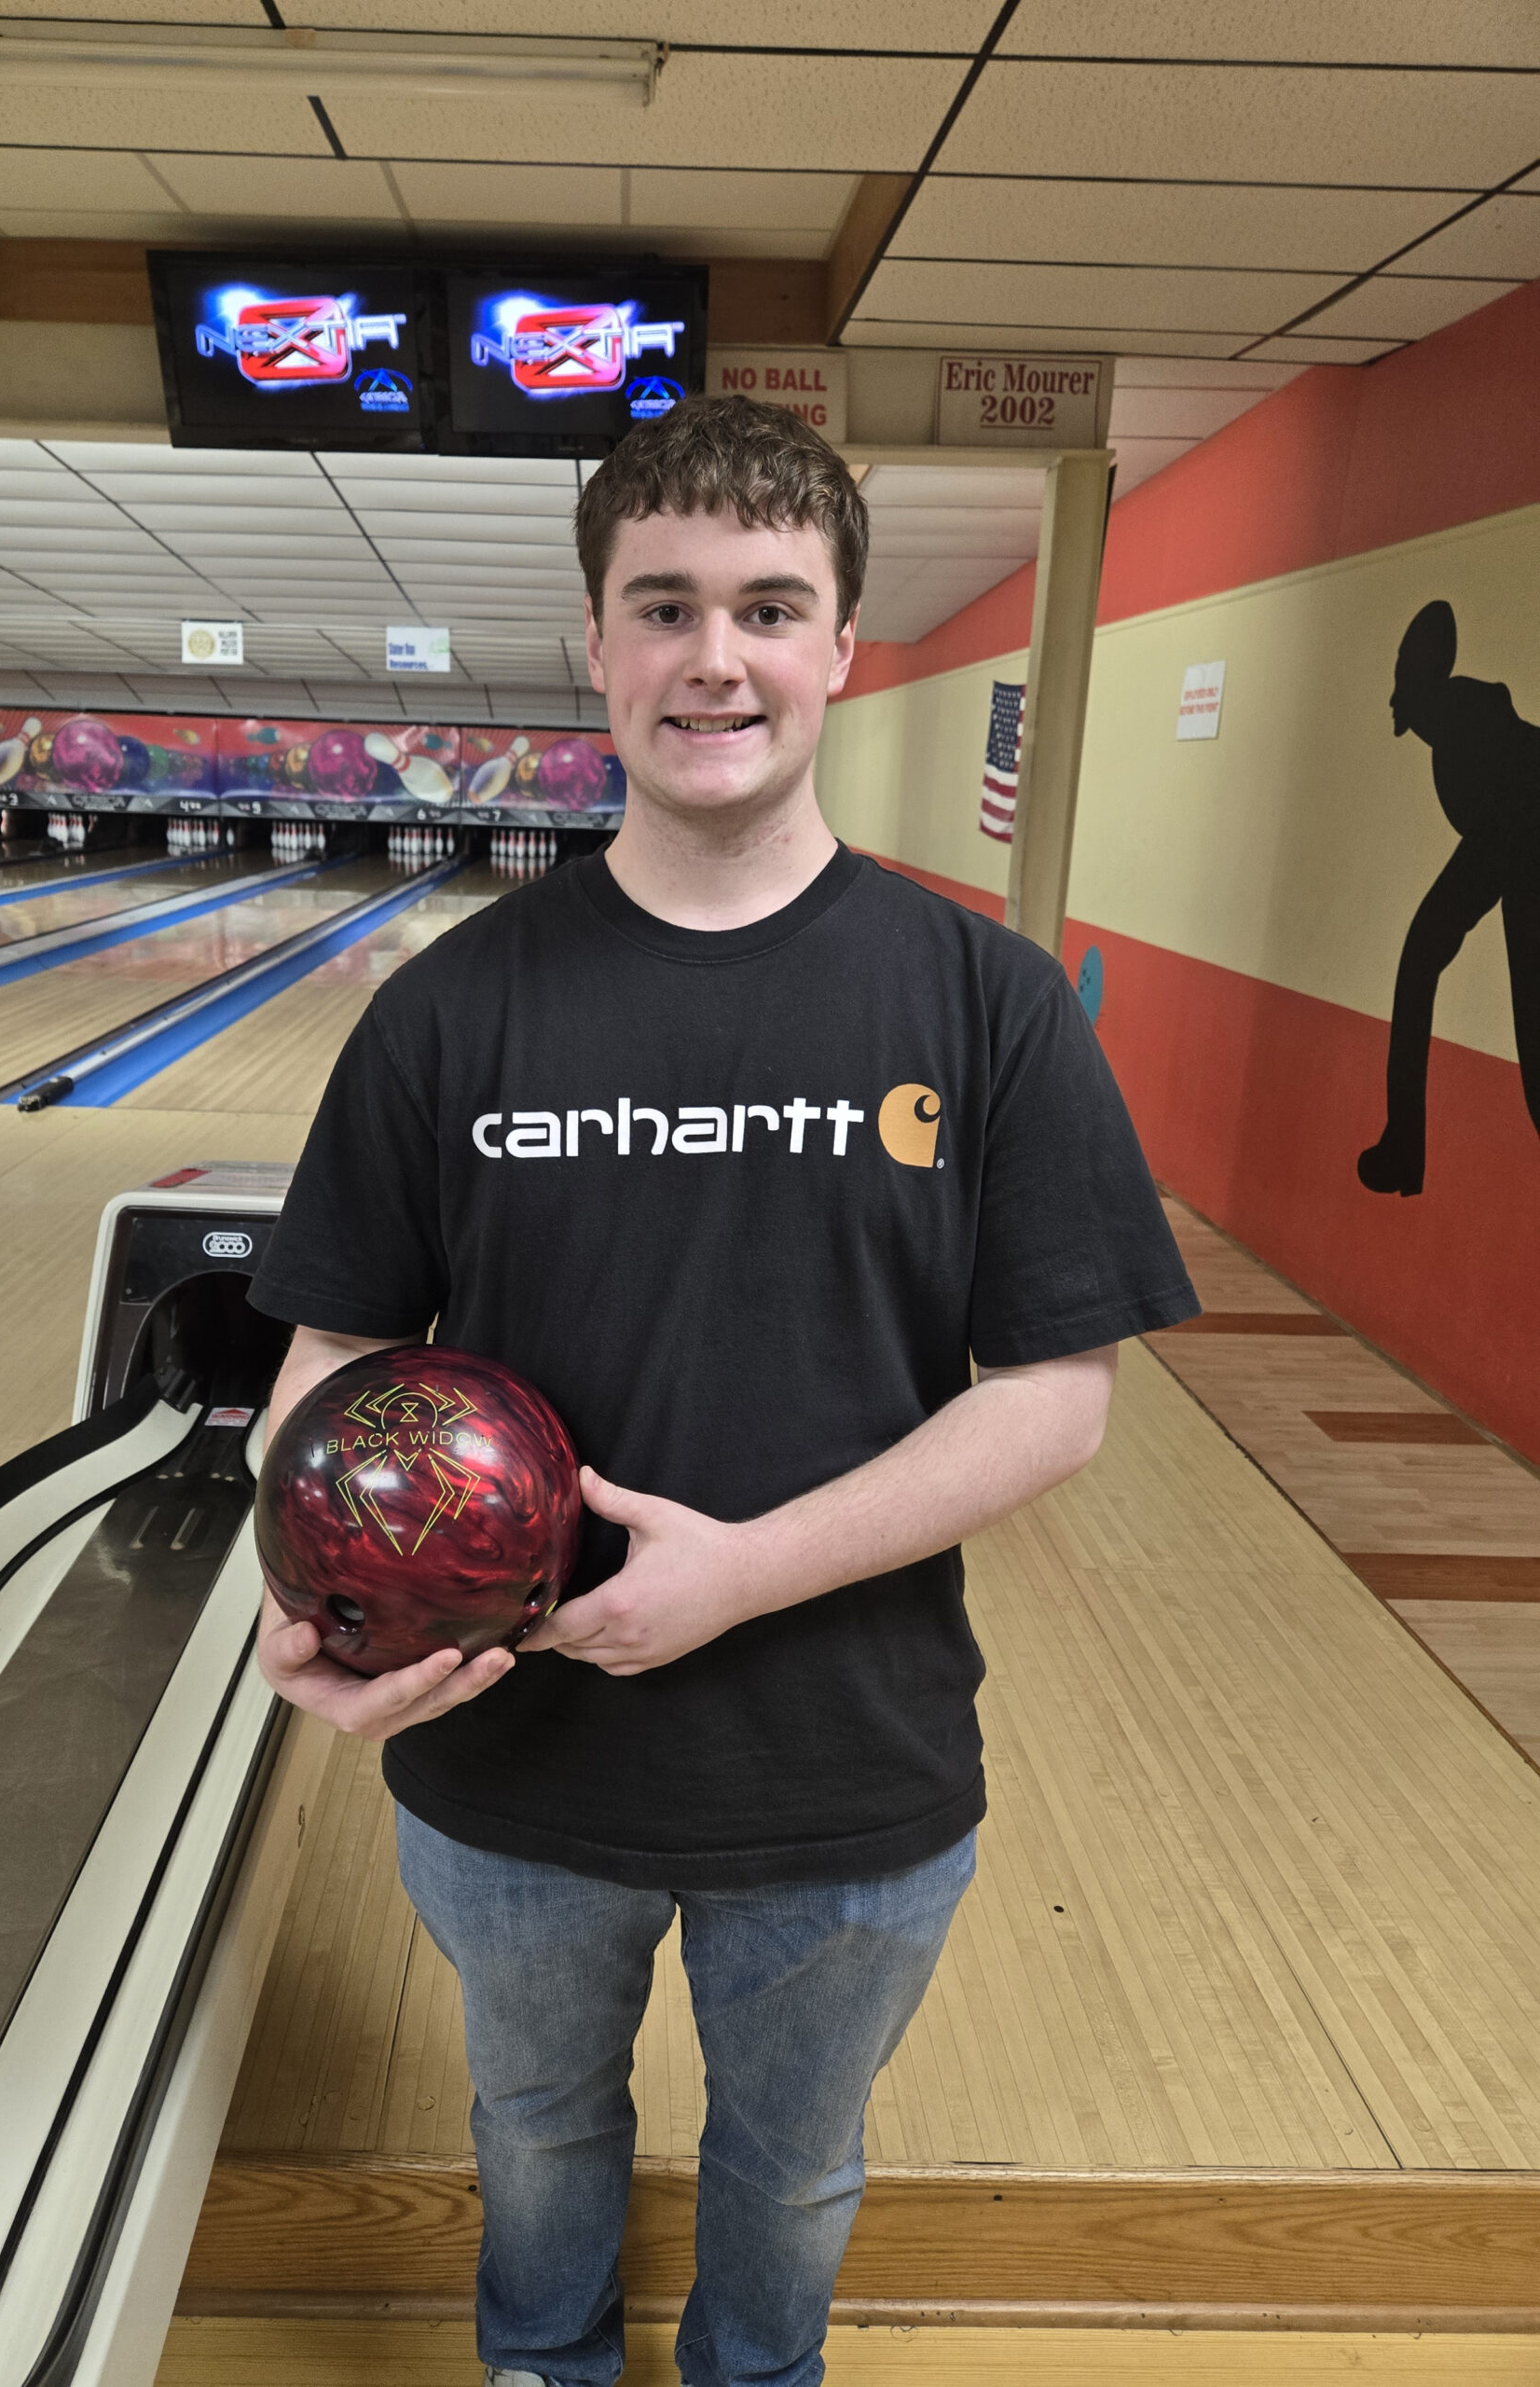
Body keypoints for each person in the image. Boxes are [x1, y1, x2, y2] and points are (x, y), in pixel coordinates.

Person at [250, 394, 1199, 2387]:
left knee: (793, 2171)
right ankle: (546, 2367)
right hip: (512, 1763)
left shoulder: (986, 1001)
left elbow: (1058, 1395)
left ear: (842, 644)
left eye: (770, 607)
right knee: (534, 2129)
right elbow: (327, 1363)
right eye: (664, 604)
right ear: (595, 642)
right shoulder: (452, 1008)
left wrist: (747, 1572)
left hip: (846, 1764)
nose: (716, 657)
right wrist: (319, 1591)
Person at [1357, 599, 1540, 1196]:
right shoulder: (1456, 731)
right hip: (1518, 856)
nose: (1394, 693)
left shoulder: (1465, 726)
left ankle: (1403, 1149)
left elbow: (1500, 833)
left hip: (1524, 849)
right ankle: (1403, 1148)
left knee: (1428, 963)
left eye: (1402, 669)